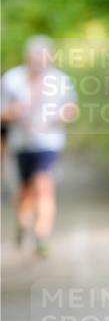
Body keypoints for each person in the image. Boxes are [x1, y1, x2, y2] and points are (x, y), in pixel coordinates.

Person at [0, 36, 78, 256]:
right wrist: (12, 113)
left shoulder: (60, 80)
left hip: (49, 142)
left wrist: (59, 117)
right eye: (35, 57)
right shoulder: (12, 79)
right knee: (26, 190)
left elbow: (71, 107)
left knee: (44, 185)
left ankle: (42, 234)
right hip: (21, 142)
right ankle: (23, 224)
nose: (40, 62)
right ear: (27, 57)